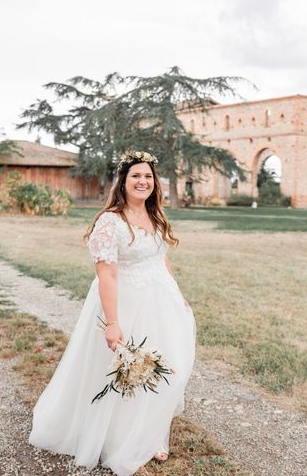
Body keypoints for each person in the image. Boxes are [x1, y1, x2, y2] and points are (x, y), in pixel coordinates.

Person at [29, 150, 196, 476]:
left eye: (148, 176)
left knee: (166, 367)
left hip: (161, 303)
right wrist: (113, 323)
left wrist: (178, 295)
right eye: (136, 175)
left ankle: (149, 434)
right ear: (123, 181)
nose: (143, 181)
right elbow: (106, 274)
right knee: (127, 374)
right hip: (125, 304)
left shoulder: (154, 215)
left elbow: (160, 257)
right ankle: (121, 444)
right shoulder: (110, 222)